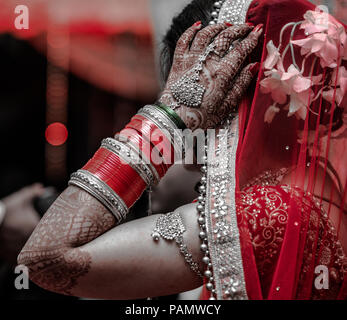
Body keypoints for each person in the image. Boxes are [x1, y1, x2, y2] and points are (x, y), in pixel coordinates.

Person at [18, 0, 347, 300]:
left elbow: (45, 258)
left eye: (180, 88)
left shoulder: (269, 210)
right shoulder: (319, 189)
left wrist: (172, 114)